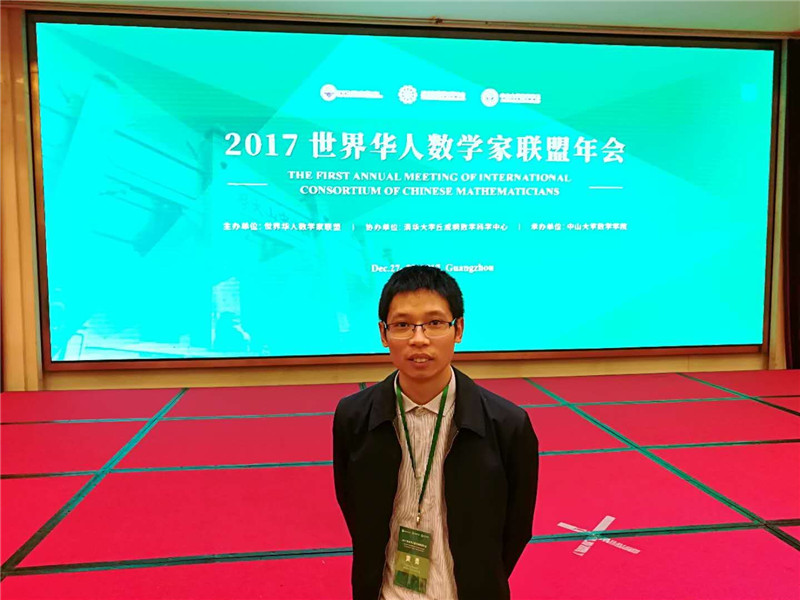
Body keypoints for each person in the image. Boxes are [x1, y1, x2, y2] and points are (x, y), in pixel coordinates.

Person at [333, 265, 539, 600]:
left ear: (458, 329)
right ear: (383, 333)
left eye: (434, 323)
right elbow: (354, 509)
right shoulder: (353, 417)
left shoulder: (507, 424)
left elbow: (517, 528)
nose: (419, 339)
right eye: (402, 325)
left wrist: (479, 578)